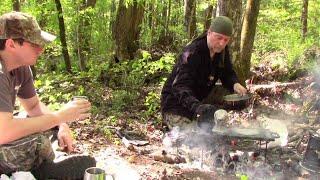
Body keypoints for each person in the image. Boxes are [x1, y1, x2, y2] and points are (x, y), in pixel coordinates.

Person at [0, 11, 95, 179]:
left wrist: (61, 124)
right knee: (38, 140)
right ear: (11, 44)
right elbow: (4, 132)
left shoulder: (20, 67)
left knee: (46, 126)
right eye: (34, 44)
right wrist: (59, 116)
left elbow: (33, 107)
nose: (41, 49)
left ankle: (36, 166)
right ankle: (42, 171)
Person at [161, 16, 247, 131]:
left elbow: (227, 72)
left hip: (199, 98)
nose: (222, 43)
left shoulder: (222, 51)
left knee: (238, 102)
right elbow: (179, 87)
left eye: (226, 40)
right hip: (176, 104)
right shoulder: (192, 53)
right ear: (209, 33)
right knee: (193, 139)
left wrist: (235, 84)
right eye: (219, 38)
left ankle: (207, 117)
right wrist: (198, 107)